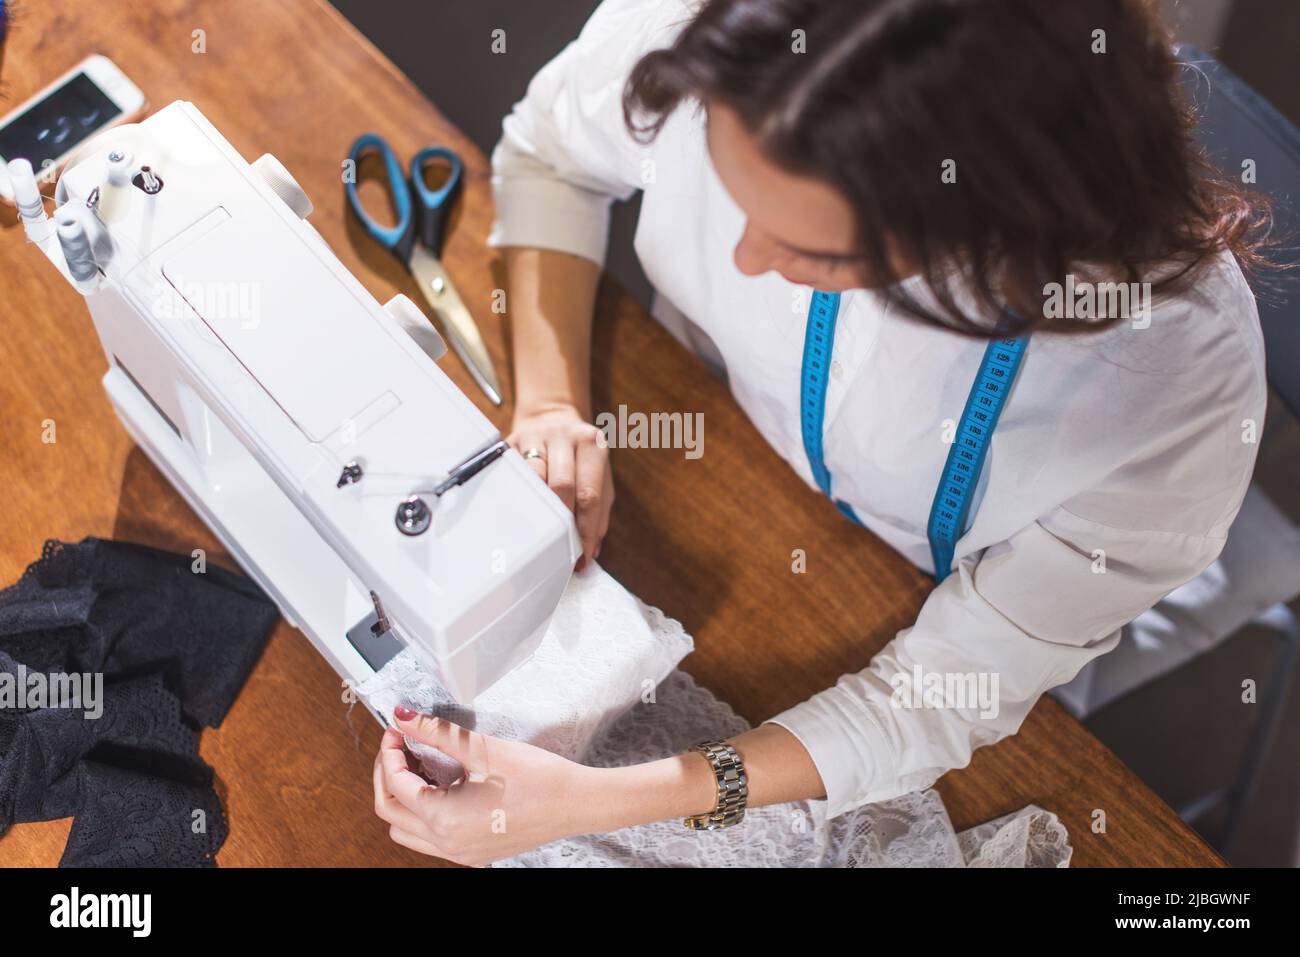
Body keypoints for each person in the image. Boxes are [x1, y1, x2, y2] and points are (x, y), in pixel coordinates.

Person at [373, 0, 1269, 865]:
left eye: (823, 256)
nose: (747, 259)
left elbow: (931, 698)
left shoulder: (1171, 389)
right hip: (717, 455)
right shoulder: (712, 35)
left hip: (936, 602)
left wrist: (591, 801)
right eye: (732, 189)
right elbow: (550, 158)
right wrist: (550, 405)